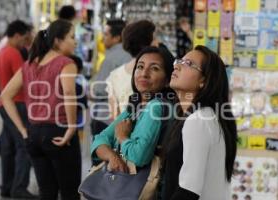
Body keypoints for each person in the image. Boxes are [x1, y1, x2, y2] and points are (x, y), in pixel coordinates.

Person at [1, 19, 81, 200]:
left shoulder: (29, 64)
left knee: (46, 192)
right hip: (58, 131)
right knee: (70, 192)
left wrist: (23, 130)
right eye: (72, 37)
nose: (75, 42)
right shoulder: (65, 63)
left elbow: (5, 96)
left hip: (34, 133)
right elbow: (68, 92)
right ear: (58, 41)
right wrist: (71, 127)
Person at [161, 45, 237, 200]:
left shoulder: (198, 120)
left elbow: (189, 190)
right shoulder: (206, 117)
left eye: (188, 64)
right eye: (179, 61)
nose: (177, 66)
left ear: (204, 80)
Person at [91, 46, 174, 170]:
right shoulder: (136, 105)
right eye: (140, 67)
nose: (144, 74)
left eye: (154, 68)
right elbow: (99, 139)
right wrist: (112, 156)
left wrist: (122, 137)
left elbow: (138, 157)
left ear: (167, 80)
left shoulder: (156, 106)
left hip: (143, 186)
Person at [0, 20, 36, 199]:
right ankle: (19, 187)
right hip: (16, 104)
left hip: (4, 104)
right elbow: (24, 80)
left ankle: (7, 187)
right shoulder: (14, 54)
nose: (25, 42)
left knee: (7, 147)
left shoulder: (0, 53)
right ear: (17, 35)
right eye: (24, 38)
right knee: (24, 145)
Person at [90, 19, 131, 154]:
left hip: (105, 116)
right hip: (123, 118)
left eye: (106, 34)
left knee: (100, 161)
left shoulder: (112, 58)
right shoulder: (131, 55)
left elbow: (98, 89)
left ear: (117, 37)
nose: (103, 38)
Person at [106, 20, 156, 120]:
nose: (157, 42)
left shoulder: (114, 76)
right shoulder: (157, 73)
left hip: (125, 132)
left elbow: (115, 118)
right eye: (154, 39)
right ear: (147, 44)